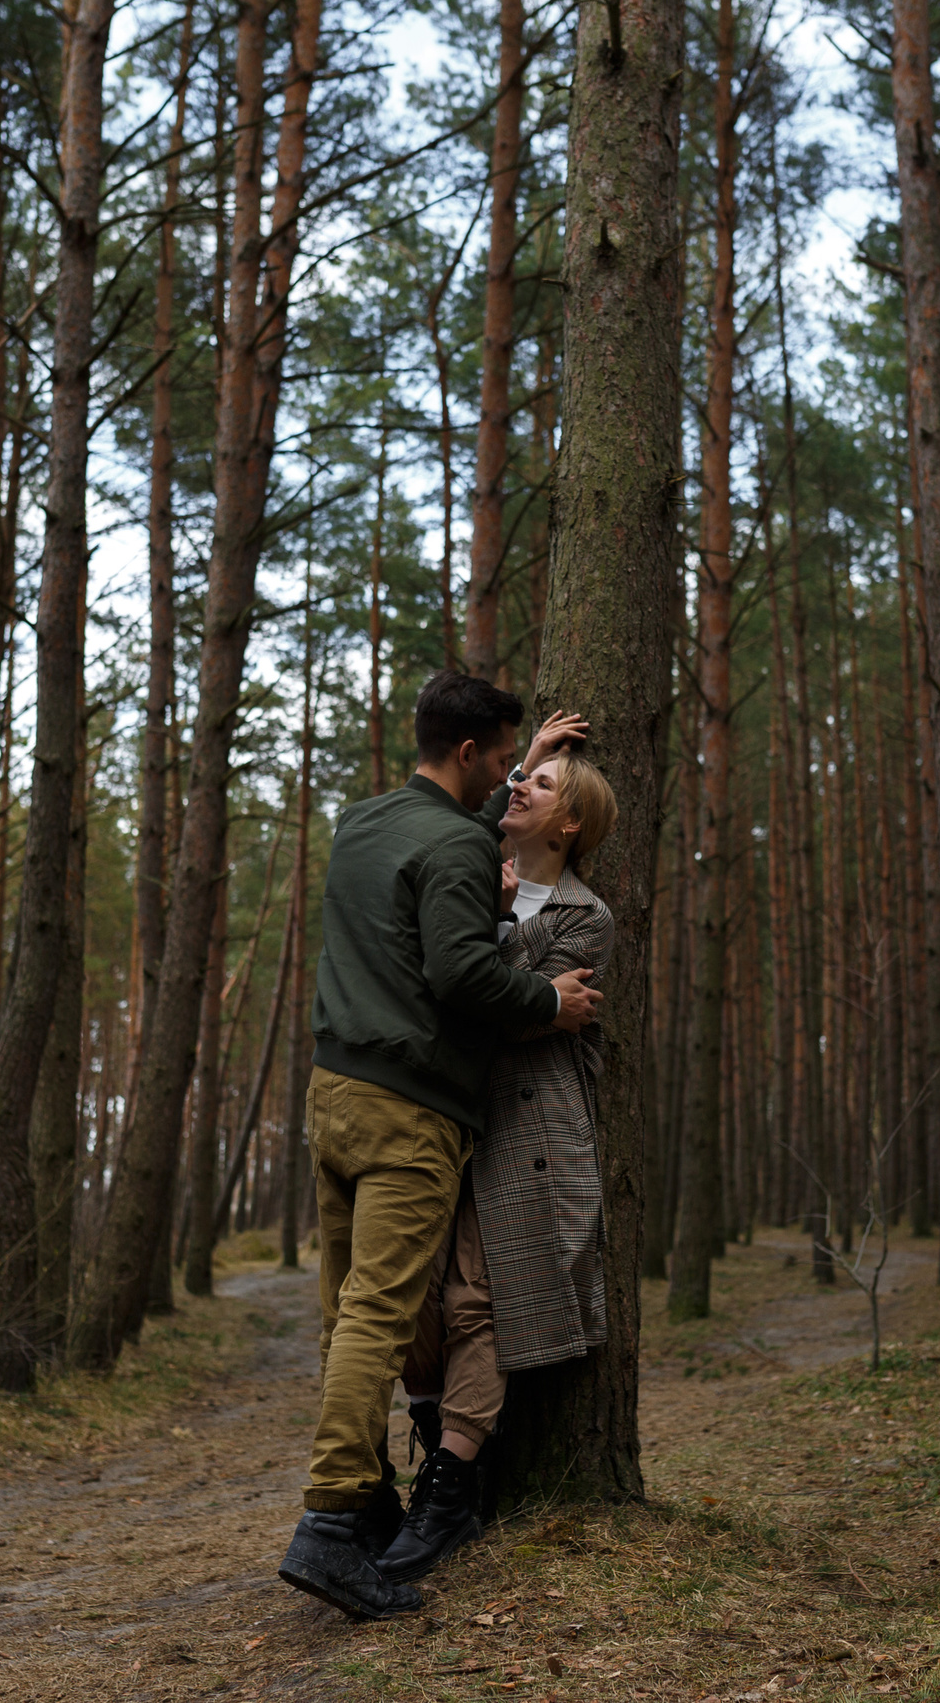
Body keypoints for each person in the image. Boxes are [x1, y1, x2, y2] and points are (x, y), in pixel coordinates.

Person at [276, 673, 604, 1622]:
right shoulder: (461, 846)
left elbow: (445, 835)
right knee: (381, 1315)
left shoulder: (363, 822)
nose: (512, 774)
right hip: (409, 1110)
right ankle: (333, 1526)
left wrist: (531, 758)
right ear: (469, 752)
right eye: (504, 759)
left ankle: (371, 1495)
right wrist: (550, 1001)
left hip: (332, 1095)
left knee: (345, 1312)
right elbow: (463, 970)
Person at [378, 745, 620, 1585]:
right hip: (435, 1111)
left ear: (571, 823)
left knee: (477, 1297)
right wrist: (527, 759)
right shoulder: (468, 868)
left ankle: (447, 1492)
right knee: (410, 1292)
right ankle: (435, 1446)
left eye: (541, 785)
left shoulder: (587, 915)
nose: (518, 788)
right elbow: (439, 981)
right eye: (517, 777)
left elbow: (516, 1014)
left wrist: (496, 932)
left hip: (529, 1129)